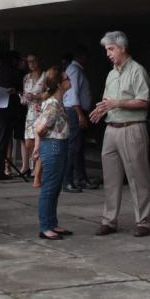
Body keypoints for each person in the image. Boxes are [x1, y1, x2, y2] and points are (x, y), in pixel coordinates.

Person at [91, 31, 150, 236]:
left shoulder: (137, 71)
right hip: (111, 129)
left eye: (111, 49)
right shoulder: (111, 74)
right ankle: (109, 220)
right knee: (110, 178)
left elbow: (143, 101)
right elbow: (107, 101)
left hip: (132, 128)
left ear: (122, 48)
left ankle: (143, 221)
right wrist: (100, 110)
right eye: (106, 50)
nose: (108, 53)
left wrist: (118, 103)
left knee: (138, 177)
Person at [32, 67, 74, 240]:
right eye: (66, 78)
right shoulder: (53, 105)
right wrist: (39, 142)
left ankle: (52, 223)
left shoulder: (54, 102)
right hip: (54, 146)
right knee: (49, 188)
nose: (69, 80)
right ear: (59, 84)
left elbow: (38, 126)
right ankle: (45, 227)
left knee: (54, 187)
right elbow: (41, 128)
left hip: (57, 145)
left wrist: (37, 144)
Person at [63, 47, 94, 192]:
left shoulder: (76, 69)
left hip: (77, 111)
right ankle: (67, 180)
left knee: (79, 147)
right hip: (75, 111)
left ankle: (81, 179)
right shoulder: (74, 70)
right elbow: (73, 93)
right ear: (81, 56)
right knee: (74, 147)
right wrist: (80, 114)